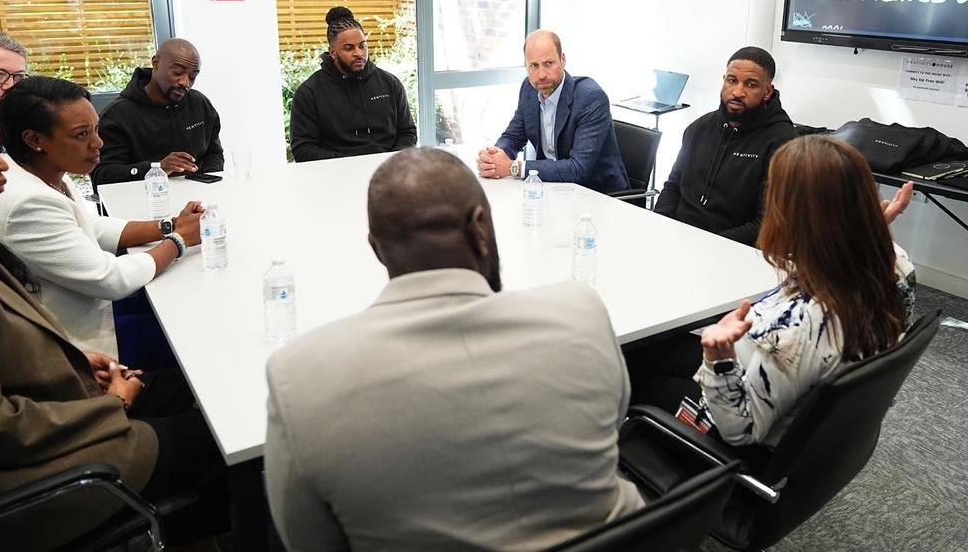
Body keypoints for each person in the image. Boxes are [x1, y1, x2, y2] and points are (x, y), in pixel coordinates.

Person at [265, 148, 643, 551]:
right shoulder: (581, 312)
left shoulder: (299, 378)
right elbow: (611, 421)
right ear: (480, 228)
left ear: (376, 249)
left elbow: (308, 541)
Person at [0, 96, 223, 550]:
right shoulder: (20, 205)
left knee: (210, 391)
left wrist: (78, 359)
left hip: (64, 385)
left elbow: (94, 232)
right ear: (36, 141)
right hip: (45, 471)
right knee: (220, 439)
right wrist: (110, 404)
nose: (0, 165)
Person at [690, 135, 916, 447]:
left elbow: (738, 432)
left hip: (736, 443)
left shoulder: (795, 326)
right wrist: (869, 231)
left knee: (641, 365)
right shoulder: (898, 264)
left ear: (788, 214)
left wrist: (718, 360)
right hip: (817, 425)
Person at [0, 77, 203, 359]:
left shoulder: (39, 169)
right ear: (34, 139)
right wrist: (179, 240)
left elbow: (87, 225)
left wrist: (168, 226)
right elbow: (110, 279)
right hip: (74, 341)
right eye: (82, 134)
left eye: (96, 129)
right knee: (192, 334)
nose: (98, 142)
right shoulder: (27, 202)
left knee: (184, 301)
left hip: (89, 304)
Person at [654, 47, 797, 245]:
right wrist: (658, 226)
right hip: (679, 240)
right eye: (732, 80)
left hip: (731, 252)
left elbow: (767, 223)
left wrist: (709, 246)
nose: (738, 92)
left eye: (751, 84)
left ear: (767, 91)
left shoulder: (782, 143)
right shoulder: (699, 128)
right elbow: (672, 187)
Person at [477, 30, 628, 193]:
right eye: (533, 65)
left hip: (599, 195)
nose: (541, 75)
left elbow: (578, 168)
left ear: (563, 60)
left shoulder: (590, 97)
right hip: (552, 188)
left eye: (549, 63)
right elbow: (513, 137)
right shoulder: (529, 89)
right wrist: (495, 158)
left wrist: (513, 168)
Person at [290, 6, 417, 161]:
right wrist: (346, 166)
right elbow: (303, 148)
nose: (359, 53)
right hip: (336, 175)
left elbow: (407, 133)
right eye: (349, 48)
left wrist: (392, 163)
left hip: (388, 172)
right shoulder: (309, 93)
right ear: (332, 53)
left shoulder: (390, 83)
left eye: (362, 45)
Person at [92, 38, 224, 185]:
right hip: (145, 202)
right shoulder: (117, 116)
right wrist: (156, 169)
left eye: (192, 77)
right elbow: (102, 175)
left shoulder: (199, 103)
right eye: (177, 72)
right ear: (156, 63)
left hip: (197, 199)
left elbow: (214, 153)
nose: (185, 83)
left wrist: (208, 181)